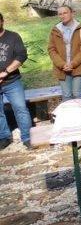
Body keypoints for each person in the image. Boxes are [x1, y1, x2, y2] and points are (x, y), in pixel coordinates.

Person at [0, 12, 33, 150]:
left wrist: (5, 72)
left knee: (21, 109)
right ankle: (4, 137)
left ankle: (28, 137)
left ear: (2, 21)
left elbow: (21, 55)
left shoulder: (13, 36)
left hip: (12, 81)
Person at [47, 5, 81, 102]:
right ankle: (67, 112)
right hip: (62, 68)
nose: (63, 16)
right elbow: (51, 49)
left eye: (65, 13)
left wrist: (72, 64)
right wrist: (62, 64)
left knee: (77, 93)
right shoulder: (55, 30)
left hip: (78, 66)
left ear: (72, 13)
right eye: (60, 14)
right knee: (66, 95)